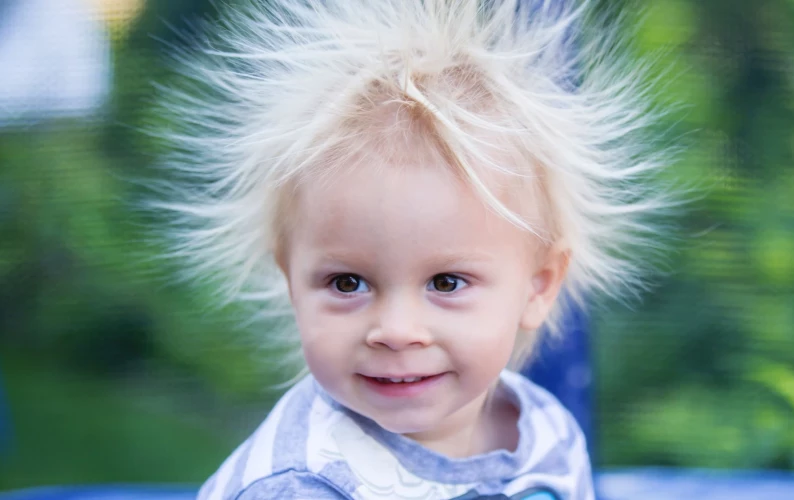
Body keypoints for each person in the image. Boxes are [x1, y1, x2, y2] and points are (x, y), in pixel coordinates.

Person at [154, 0, 675, 498]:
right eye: (347, 283)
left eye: (446, 283)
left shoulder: (545, 437)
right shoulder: (303, 483)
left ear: (539, 285)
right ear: (291, 279)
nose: (397, 331)